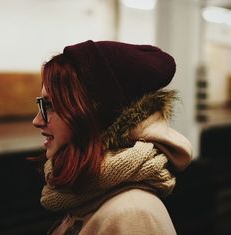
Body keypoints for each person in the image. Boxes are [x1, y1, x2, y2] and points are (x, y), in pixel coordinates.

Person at [32, 40, 192, 234]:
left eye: (51, 105)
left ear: (95, 114)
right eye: (41, 104)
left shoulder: (132, 214)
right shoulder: (84, 193)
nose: (37, 120)